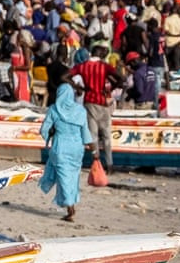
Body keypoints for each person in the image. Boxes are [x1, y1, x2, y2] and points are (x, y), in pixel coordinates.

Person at [39, 76, 89, 222]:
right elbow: (85, 133)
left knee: (64, 177)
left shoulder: (54, 109)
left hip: (60, 146)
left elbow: (44, 130)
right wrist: (92, 148)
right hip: (77, 148)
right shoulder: (80, 110)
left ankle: (70, 207)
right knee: (73, 177)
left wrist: (50, 135)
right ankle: (70, 205)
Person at [72, 51, 121, 171]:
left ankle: (97, 163)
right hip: (103, 103)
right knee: (106, 136)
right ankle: (110, 165)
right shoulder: (104, 66)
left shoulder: (82, 66)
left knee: (93, 136)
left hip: (89, 102)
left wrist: (79, 88)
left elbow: (64, 76)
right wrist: (109, 90)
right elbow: (120, 78)